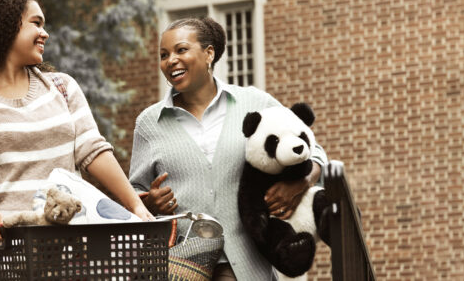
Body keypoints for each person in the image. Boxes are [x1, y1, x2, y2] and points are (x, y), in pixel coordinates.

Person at [0, 0, 152, 251]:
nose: (45, 33)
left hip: (72, 248)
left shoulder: (62, 87)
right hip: (9, 247)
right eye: (36, 23)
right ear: (8, 26)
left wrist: (134, 204)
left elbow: (93, 150)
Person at [128, 17, 328, 280]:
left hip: (248, 263)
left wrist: (302, 182)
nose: (170, 61)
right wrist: (151, 203)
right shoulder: (149, 123)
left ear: (209, 53)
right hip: (186, 267)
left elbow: (313, 151)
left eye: (181, 50)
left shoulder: (254, 102)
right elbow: (133, 195)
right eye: (164, 55)